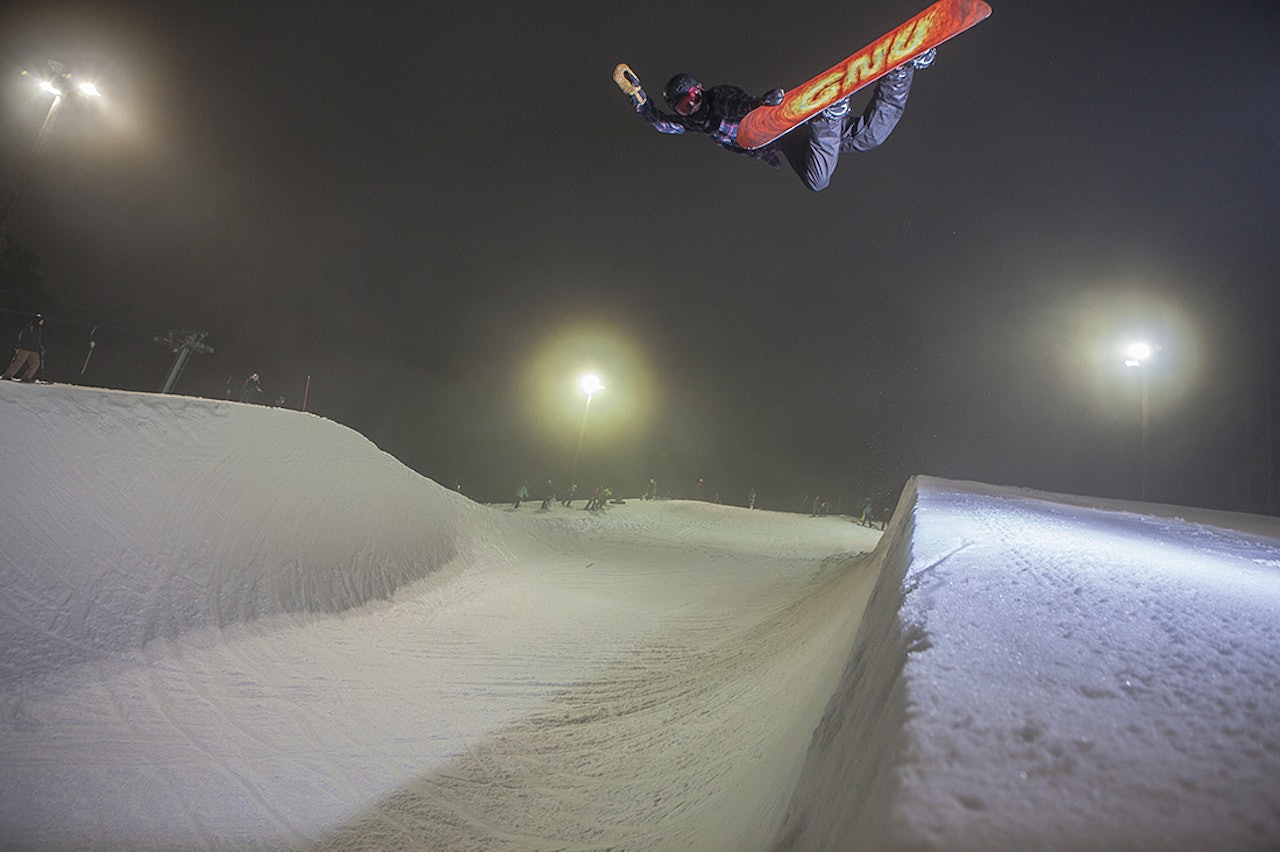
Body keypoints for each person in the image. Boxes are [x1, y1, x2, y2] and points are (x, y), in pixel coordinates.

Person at [614, 48, 936, 192]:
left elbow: (743, 103)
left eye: (695, 95)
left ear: (701, 88)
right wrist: (638, 96)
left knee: (817, 180)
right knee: (870, 137)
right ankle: (902, 69)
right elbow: (661, 122)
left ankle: (829, 116)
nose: (694, 104)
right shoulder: (696, 123)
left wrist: (766, 104)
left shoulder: (719, 97)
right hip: (791, 141)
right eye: (685, 106)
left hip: (786, 132)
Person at [3, 314, 44, 382]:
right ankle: (7, 375)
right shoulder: (30, 327)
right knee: (18, 362)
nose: (42, 322)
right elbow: (22, 336)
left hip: (33, 349)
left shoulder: (39, 329)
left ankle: (26, 377)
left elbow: (36, 340)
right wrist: (19, 345)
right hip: (25, 348)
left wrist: (39, 347)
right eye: (41, 320)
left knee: (35, 363)